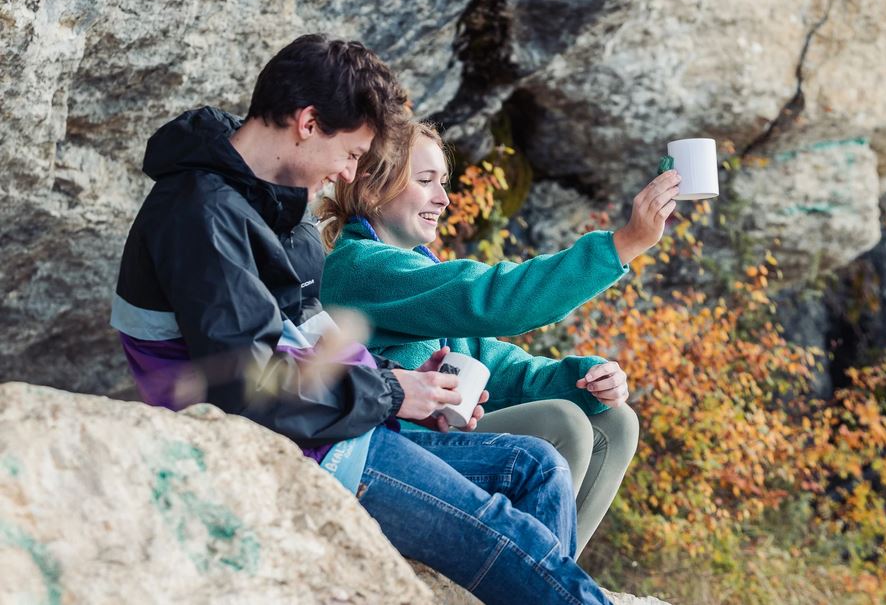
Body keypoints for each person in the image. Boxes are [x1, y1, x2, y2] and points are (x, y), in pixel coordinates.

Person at [110, 34, 615, 604]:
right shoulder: (201, 216)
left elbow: (313, 338)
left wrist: (417, 385)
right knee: (512, 540)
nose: (348, 175)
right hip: (298, 446)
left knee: (536, 466)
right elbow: (248, 382)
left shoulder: (276, 200)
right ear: (307, 122)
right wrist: (392, 392)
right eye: (350, 153)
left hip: (338, 422)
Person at [319, 121, 681, 557]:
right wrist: (622, 244)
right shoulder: (358, 267)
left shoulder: (416, 269)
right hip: (396, 450)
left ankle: (557, 577)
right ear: (373, 190)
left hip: (439, 440)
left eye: (445, 182)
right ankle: (542, 584)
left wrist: (585, 378)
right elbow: (491, 299)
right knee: (562, 423)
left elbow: (498, 365)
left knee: (616, 420)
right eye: (425, 180)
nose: (444, 198)